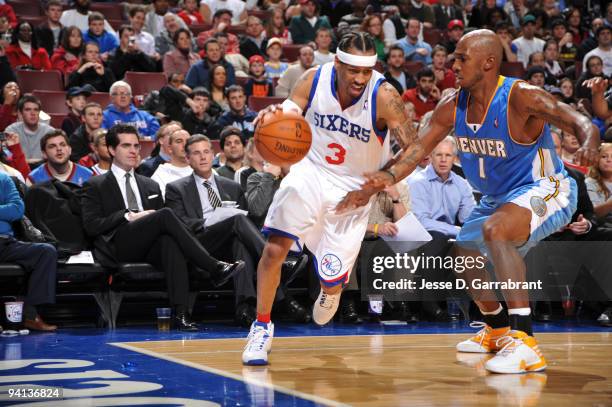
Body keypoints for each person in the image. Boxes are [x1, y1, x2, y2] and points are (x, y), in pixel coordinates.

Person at [337, 29, 600, 374]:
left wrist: (591, 139)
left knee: (496, 231)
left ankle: (526, 342)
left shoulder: (521, 97)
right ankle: (497, 330)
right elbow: (417, 149)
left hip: (547, 187)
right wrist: (379, 181)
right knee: (464, 256)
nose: (453, 64)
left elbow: (579, 121)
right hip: (497, 196)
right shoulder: (453, 105)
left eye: (462, 58)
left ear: (488, 62)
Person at [242, 32, 412, 365]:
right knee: (275, 247)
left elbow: (414, 148)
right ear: (337, 62)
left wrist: (386, 176)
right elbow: (288, 111)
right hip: (310, 174)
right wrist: (273, 116)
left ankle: (331, 290)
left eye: (367, 71)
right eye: (353, 71)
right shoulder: (312, 79)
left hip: (354, 188)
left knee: (333, 281)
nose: (361, 78)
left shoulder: (384, 96)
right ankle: (261, 327)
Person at [81, 123, 245, 331]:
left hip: (149, 246)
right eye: (126, 146)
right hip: (118, 246)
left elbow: (165, 226)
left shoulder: (149, 185)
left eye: (136, 146)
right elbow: (91, 226)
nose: (133, 151)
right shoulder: (95, 184)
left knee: (171, 242)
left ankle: (181, 314)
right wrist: (128, 216)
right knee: (166, 214)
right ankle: (213, 266)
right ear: (112, 150)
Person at [165, 134, 309, 326]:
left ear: (213, 155)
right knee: (237, 220)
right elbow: (180, 223)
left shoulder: (231, 186)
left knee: (240, 241)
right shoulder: (176, 188)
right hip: (199, 244)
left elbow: (246, 221)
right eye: (196, 153)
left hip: (228, 243)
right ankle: (281, 279)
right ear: (188, 159)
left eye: (206, 152)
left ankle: (244, 308)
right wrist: (210, 220)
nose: (203, 157)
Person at [0, 172, 58, 331]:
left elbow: (17, 209)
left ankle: (30, 316)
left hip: (5, 242)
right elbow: (9, 209)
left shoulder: (3, 179)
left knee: (46, 252)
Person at [28, 129, 93, 186]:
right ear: (44, 153)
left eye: (63, 145)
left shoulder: (88, 176)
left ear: (70, 150)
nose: (59, 149)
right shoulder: (33, 179)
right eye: (52, 146)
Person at [6, 95, 54, 164]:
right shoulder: (11, 130)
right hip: (18, 169)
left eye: (36, 110)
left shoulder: (50, 132)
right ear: (20, 113)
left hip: (43, 169)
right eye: (28, 109)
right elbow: (7, 156)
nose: (33, 113)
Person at [151, 128, 193, 196]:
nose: (185, 145)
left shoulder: (202, 170)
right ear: (170, 148)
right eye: (179, 141)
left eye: (188, 141)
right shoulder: (160, 175)